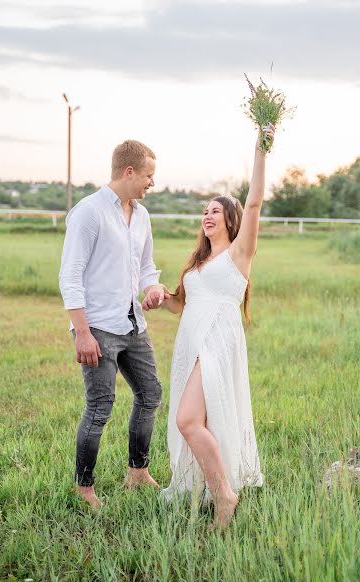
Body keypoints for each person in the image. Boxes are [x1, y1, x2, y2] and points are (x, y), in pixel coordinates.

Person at [143, 123, 275, 528]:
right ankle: (211, 488)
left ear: (232, 219)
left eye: (215, 210)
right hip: (191, 341)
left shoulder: (239, 254)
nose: (207, 215)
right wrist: (161, 297)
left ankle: (224, 496)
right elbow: (181, 305)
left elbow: (253, 202)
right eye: (204, 211)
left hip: (218, 338)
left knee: (187, 420)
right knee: (196, 419)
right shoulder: (198, 264)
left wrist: (261, 149)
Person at [59, 139, 168, 508]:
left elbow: (146, 267)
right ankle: (84, 488)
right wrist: (83, 333)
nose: (152, 183)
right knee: (100, 407)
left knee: (150, 394)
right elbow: (70, 276)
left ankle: (138, 472)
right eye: (149, 175)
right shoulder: (89, 212)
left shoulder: (142, 216)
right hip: (98, 329)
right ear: (129, 171)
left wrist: (151, 288)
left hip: (133, 326)